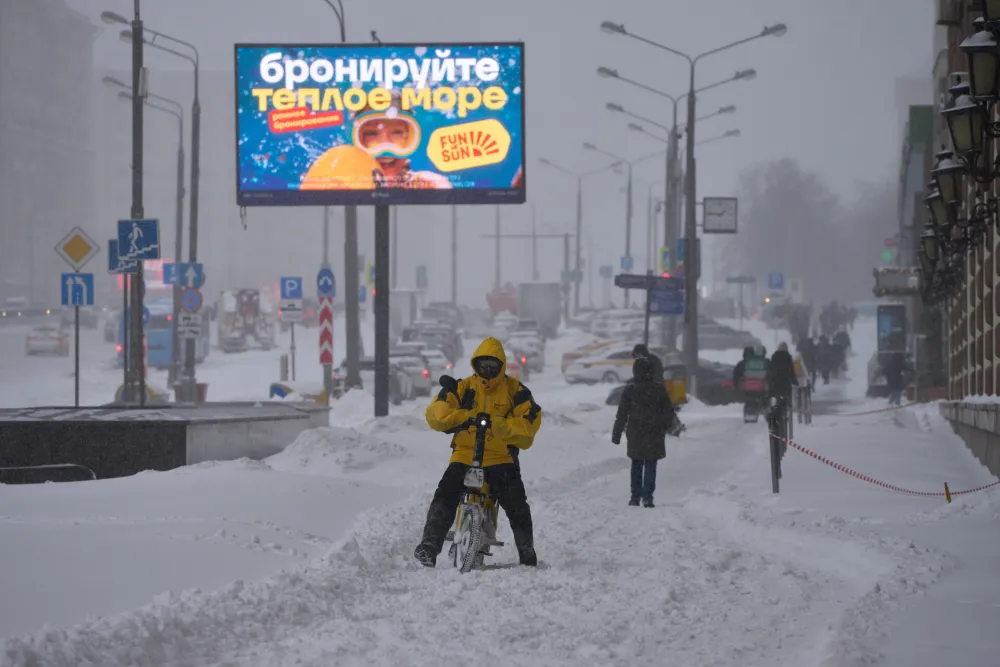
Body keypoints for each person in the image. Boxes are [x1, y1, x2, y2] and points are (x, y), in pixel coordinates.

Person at [414, 337, 542, 568]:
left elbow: (527, 428)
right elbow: (436, 413)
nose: (488, 370)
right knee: (445, 494)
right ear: (476, 365)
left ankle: (526, 550)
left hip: (501, 458)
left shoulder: (517, 392)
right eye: (483, 365)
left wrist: (499, 424)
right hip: (464, 455)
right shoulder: (462, 388)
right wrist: (463, 417)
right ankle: (430, 545)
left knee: (516, 503)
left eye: (493, 366)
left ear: (501, 365)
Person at [611, 356, 679, 508]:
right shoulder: (659, 389)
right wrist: (665, 426)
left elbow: (622, 413)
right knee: (650, 463)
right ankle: (647, 497)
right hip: (654, 431)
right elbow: (668, 411)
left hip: (636, 431)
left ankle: (635, 496)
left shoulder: (630, 389)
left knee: (636, 463)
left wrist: (617, 432)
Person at [769, 342, 798, 420]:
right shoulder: (788, 356)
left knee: (777, 395)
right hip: (785, 380)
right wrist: (795, 381)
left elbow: (771, 369)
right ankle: (788, 406)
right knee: (787, 394)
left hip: (776, 381)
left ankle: (777, 408)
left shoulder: (774, 356)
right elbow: (791, 370)